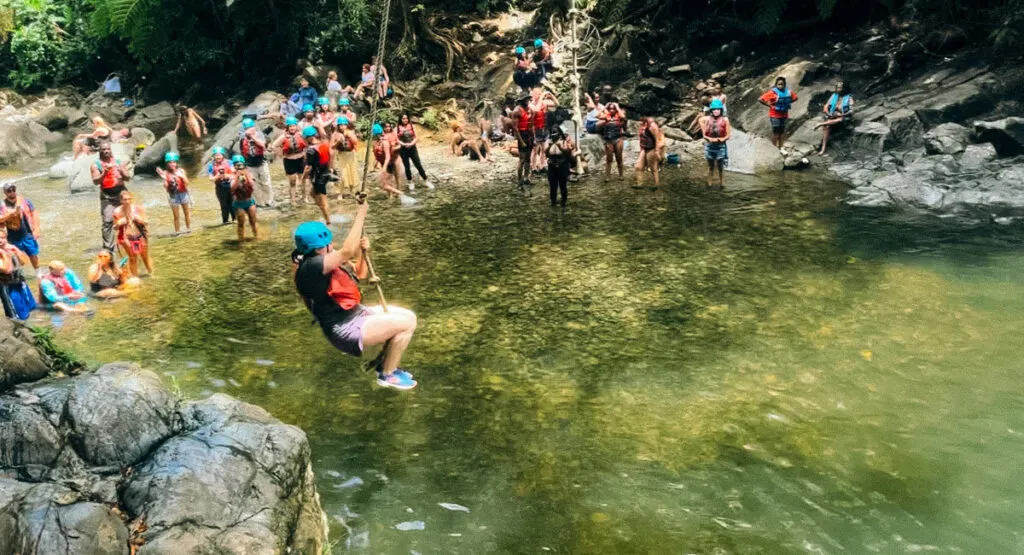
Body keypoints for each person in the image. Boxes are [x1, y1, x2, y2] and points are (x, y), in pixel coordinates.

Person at [292, 205, 419, 390]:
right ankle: (387, 374)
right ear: (321, 247)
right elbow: (346, 251)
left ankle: (385, 360)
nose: (333, 245)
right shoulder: (311, 267)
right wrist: (361, 214)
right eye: (330, 243)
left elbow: (360, 273)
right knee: (405, 326)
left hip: (356, 313)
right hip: (345, 328)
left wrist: (362, 251)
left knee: (410, 318)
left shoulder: (325, 262)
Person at [90, 142, 132, 254]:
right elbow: (95, 181)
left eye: (108, 149)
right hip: (106, 196)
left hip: (121, 193)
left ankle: (130, 239)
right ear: (100, 151)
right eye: (103, 149)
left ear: (111, 150)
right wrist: (104, 172)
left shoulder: (118, 163)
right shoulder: (96, 165)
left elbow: (128, 178)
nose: (106, 151)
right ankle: (109, 249)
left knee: (128, 217)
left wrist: (122, 173)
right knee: (107, 221)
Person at [0, 182, 41, 271]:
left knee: (33, 254)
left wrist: (36, 229)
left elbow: (34, 213)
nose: (12, 192)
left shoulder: (25, 201)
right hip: (11, 237)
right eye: (9, 191)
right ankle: (19, 274)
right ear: (5, 193)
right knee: (16, 257)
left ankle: (39, 274)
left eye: (13, 190)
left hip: (27, 234)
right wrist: (10, 215)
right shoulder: (1, 205)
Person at [113, 190, 153, 277]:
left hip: (140, 235)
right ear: (121, 201)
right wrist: (119, 223)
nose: (127, 201)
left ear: (131, 199)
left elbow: (146, 222)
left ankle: (150, 272)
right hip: (126, 237)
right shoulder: (117, 212)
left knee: (144, 256)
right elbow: (115, 228)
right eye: (125, 199)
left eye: (129, 199)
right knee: (132, 258)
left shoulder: (138, 208)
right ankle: (135, 277)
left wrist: (139, 220)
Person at [0, 227, 36, 320]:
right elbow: (7, 270)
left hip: (18, 280)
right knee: (15, 310)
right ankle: (17, 324)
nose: (0, 241)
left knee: (28, 304)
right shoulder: (2, 254)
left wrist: (16, 250)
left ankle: (28, 319)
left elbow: (24, 262)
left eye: (2, 238)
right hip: (7, 285)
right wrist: (5, 255)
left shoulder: (10, 248)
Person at [272, 117, 309, 206]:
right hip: (289, 160)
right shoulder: (283, 136)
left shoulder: (300, 134)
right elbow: (274, 146)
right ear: (287, 127)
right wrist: (280, 153)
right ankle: (293, 199)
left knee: (303, 179)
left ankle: (304, 197)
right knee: (292, 181)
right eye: (290, 126)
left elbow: (307, 144)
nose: (292, 128)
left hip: (300, 159)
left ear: (296, 126)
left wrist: (306, 154)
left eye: (294, 126)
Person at [301, 126, 334, 223]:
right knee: (312, 193)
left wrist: (303, 178)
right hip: (325, 172)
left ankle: (328, 221)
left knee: (322, 200)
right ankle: (325, 211)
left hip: (318, 176)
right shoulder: (324, 144)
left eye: (304, 138)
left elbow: (308, 167)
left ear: (309, 138)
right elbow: (330, 157)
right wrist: (330, 169)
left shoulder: (311, 151)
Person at [240, 118, 274, 208]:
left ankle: (269, 201)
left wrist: (253, 137)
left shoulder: (259, 134)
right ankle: (259, 202)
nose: (250, 129)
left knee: (266, 182)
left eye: (251, 127)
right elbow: (242, 150)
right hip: (250, 164)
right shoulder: (242, 137)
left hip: (261, 162)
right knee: (254, 184)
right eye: (247, 128)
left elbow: (262, 145)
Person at [156, 152, 192, 234]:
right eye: (170, 162)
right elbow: (165, 187)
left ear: (176, 162)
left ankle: (188, 229)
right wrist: (164, 179)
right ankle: (177, 231)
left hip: (183, 193)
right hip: (173, 195)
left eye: (174, 162)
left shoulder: (181, 171)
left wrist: (182, 176)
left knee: (186, 212)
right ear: (167, 163)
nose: (172, 164)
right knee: (176, 216)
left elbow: (187, 183)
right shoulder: (165, 173)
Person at [815, 82, 855, 155]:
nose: (838, 89)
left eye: (840, 88)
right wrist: (828, 113)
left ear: (844, 89)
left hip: (842, 119)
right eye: (837, 88)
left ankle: (821, 123)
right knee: (827, 126)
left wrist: (842, 114)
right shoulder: (833, 96)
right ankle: (823, 148)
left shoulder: (849, 98)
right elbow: (825, 106)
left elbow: (851, 111)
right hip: (832, 117)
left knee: (840, 119)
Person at [395, 114, 433, 191]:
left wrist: (411, 143)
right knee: (407, 166)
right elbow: (396, 139)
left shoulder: (412, 126)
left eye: (406, 118)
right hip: (403, 149)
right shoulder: (397, 128)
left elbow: (416, 137)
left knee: (418, 164)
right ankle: (410, 181)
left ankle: (426, 180)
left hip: (412, 148)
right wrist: (404, 144)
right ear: (400, 119)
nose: (405, 120)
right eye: (403, 118)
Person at [759, 76, 797, 148]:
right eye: (779, 84)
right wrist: (770, 106)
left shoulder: (788, 92)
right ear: (776, 85)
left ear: (785, 85)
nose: (781, 86)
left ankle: (780, 147)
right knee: (776, 132)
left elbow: (795, 98)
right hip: (774, 115)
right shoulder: (772, 93)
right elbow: (760, 99)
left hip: (784, 114)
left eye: (782, 84)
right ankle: (774, 148)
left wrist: (788, 103)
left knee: (782, 132)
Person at [701, 99, 731, 187]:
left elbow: (728, 135)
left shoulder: (725, 120)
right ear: (711, 110)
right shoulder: (707, 119)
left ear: (721, 110)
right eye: (714, 109)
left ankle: (722, 183)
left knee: (720, 167)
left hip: (720, 146)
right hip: (710, 146)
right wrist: (707, 137)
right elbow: (704, 134)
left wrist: (721, 139)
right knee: (710, 167)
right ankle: (709, 183)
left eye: (718, 109)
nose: (716, 111)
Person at [229, 155, 258, 242]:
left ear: (244, 165)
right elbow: (232, 188)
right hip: (238, 203)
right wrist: (237, 178)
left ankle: (257, 236)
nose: (239, 167)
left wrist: (246, 174)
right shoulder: (232, 176)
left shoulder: (249, 174)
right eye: (236, 165)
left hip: (249, 201)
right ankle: (241, 240)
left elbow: (252, 185)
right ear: (234, 166)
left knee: (253, 221)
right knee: (241, 223)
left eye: (240, 165)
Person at [546, 127, 576, 207]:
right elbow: (547, 154)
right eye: (552, 133)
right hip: (552, 164)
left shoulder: (564, 141)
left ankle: (563, 202)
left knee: (563, 185)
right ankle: (553, 201)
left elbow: (568, 153)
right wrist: (549, 147)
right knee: (553, 186)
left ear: (559, 134)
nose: (554, 135)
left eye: (555, 133)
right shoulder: (549, 142)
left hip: (562, 164)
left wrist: (560, 148)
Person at [372, 124, 403, 198]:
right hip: (385, 162)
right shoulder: (377, 142)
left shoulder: (385, 141)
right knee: (385, 182)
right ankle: (391, 196)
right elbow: (377, 154)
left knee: (393, 179)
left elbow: (388, 156)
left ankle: (399, 193)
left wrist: (384, 168)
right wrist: (376, 163)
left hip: (393, 160)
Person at [207, 146, 236, 224]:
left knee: (233, 203)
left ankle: (235, 219)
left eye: (219, 155)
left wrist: (227, 175)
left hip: (230, 186)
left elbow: (235, 175)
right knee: (224, 205)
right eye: (216, 155)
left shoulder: (229, 163)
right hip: (220, 188)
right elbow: (210, 178)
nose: (218, 157)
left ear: (223, 155)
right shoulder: (211, 166)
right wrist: (217, 176)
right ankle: (225, 220)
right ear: (213, 156)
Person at [598, 101, 627, 178]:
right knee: (609, 159)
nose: (611, 110)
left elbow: (623, 117)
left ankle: (621, 175)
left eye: (613, 109)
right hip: (608, 140)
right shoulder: (606, 116)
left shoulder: (619, 116)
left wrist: (617, 107)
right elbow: (597, 116)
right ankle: (607, 176)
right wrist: (605, 107)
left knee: (619, 158)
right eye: (610, 109)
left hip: (618, 139)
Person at [530, 89, 557, 172]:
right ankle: (533, 166)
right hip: (535, 129)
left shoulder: (544, 103)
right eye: (539, 94)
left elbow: (556, 104)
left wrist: (551, 95)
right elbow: (536, 109)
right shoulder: (531, 105)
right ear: (534, 95)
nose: (541, 95)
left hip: (544, 128)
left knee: (544, 149)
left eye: (541, 93)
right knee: (535, 149)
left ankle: (543, 165)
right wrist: (542, 97)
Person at [510, 95, 534, 186]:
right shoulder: (517, 111)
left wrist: (533, 135)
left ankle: (526, 177)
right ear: (522, 100)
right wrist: (521, 141)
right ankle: (519, 180)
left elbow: (530, 123)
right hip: (522, 134)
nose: (528, 101)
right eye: (526, 100)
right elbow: (515, 128)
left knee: (528, 158)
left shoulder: (527, 109)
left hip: (529, 134)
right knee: (522, 159)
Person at [333, 117, 359, 196]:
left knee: (352, 172)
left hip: (351, 154)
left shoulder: (350, 132)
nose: (343, 127)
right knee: (342, 174)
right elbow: (332, 146)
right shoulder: (335, 134)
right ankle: (339, 193)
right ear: (338, 126)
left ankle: (352, 191)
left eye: (344, 125)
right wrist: (338, 142)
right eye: (341, 125)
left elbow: (355, 142)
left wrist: (350, 136)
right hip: (341, 155)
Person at [635, 117, 664, 187]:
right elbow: (641, 138)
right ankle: (639, 183)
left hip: (652, 148)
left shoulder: (652, 125)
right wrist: (641, 149)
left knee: (653, 168)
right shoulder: (642, 125)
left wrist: (657, 151)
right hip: (645, 149)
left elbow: (657, 139)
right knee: (638, 167)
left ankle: (656, 184)